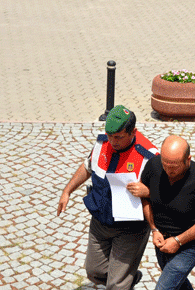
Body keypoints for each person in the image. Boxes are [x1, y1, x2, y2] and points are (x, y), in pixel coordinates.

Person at [57, 105, 158, 290]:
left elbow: (167, 191)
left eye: (118, 136)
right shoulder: (102, 143)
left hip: (130, 228)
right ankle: (129, 278)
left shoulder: (148, 157)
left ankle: (123, 282)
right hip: (100, 222)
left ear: (133, 132)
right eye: (109, 135)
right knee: (93, 271)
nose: (112, 141)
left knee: (116, 285)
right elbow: (87, 167)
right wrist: (67, 191)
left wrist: (148, 191)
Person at [141, 135, 195, 290]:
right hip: (163, 241)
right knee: (179, 284)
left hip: (190, 245)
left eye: (175, 166)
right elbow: (145, 197)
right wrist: (154, 229)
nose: (169, 170)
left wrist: (178, 241)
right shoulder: (153, 166)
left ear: (188, 159)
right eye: (166, 164)